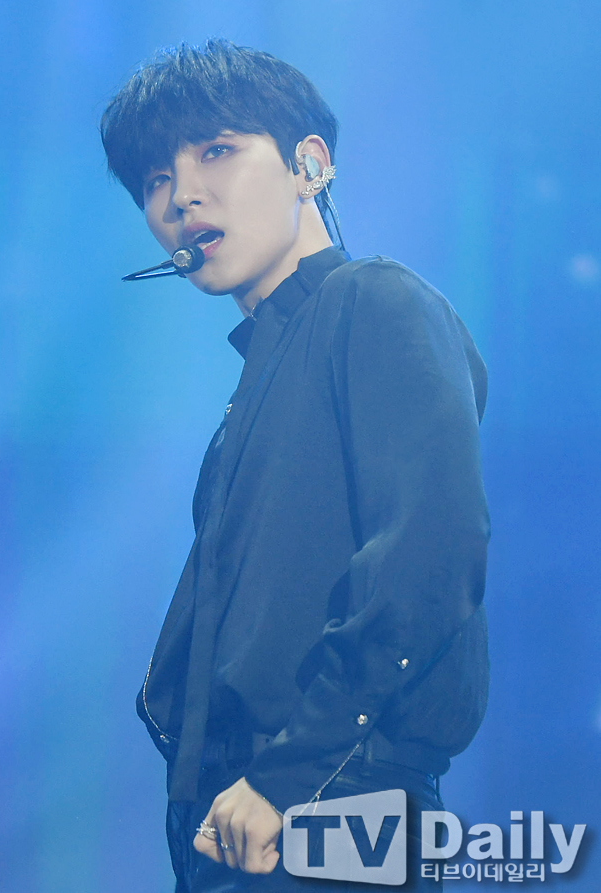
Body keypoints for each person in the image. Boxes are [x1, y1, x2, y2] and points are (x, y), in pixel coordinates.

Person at [101, 39, 490, 892]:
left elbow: (431, 550)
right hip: (235, 811)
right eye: (157, 178)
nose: (181, 195)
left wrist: (292, 773)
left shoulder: (376, 300)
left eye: (216, 150)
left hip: (328, 796)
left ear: (309, 164)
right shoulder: (257, 382)